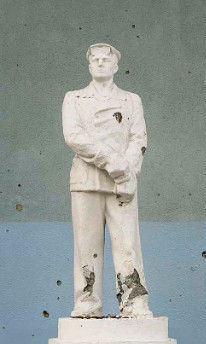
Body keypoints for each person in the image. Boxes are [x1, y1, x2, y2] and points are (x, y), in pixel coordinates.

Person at [61, 43, 151, 317]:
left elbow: (139, 138)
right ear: (89, 66)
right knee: (86, 245)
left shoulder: (131, 100)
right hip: (87, 181)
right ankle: (87, 303)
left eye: (105, 59)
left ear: (115, 66)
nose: (100, 63)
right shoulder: (74, 99)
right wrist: (113, 163)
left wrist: (127, 170)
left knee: (127, 244)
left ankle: (134, 302)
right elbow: (74, 137)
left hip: (122, 184)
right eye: (95, 60)